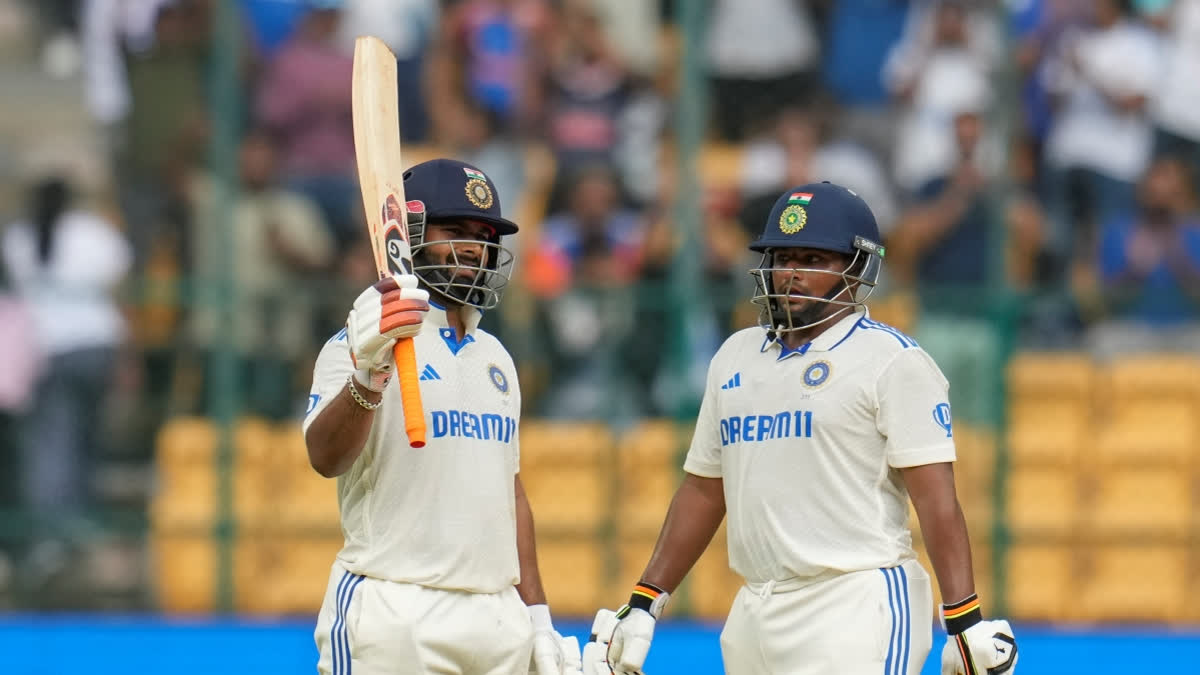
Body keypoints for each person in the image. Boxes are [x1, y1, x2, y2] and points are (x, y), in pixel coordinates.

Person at [582, 182, 1018, 675]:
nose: (791, 273)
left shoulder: (893, 360)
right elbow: (705, 489)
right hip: (753, 608)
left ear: (857, 269)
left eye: (813, 258)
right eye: (782, 256)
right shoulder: (734, 356)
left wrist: (963, 618)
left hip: (856, 601)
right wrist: (646, 600)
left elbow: (937, 500)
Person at [302, 159, 582, 674]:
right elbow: (324, 457)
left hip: (496, 618)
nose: (474, 248)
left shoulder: (496, 356)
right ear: (409, 235)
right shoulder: (360, 338)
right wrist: (367, 377)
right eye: (455, 230)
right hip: (396, 609)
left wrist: (537, 615)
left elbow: (510, 493)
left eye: (484, 235)